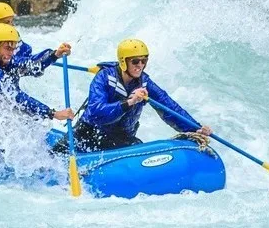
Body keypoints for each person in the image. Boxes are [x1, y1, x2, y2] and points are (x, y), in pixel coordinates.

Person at [60, 38, 212, 153]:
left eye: (144, 60)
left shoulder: (144, 82)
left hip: (121, 138)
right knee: (55, 155)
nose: (140, 65)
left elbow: (168, 106)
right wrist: (129, 102)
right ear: (123, 61)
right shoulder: (104, 78)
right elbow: (96, 113)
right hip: (89, 134)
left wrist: (194, 127)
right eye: (135, 61)